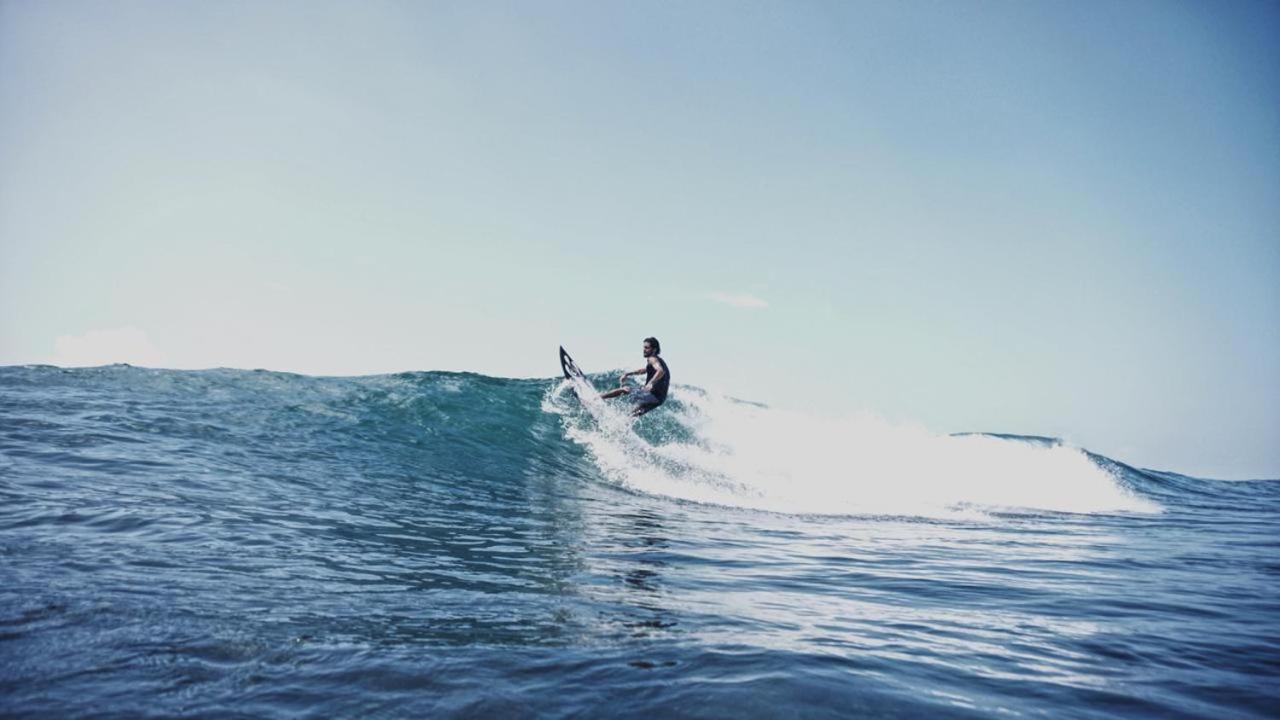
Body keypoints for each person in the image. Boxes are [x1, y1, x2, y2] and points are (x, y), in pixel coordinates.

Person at [600, 337, 670, 417]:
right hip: (659, 399)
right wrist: (628, 374)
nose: (644, 350)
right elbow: (645, 370)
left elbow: (660, 371)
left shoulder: (652, 359)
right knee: (632, 414)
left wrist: (651, 383)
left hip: (652, 395)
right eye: (644, 347)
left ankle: (598, 397)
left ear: (654, 349)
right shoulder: (659, 360)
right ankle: (619, 426)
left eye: (647, 348)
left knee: (625, 389)